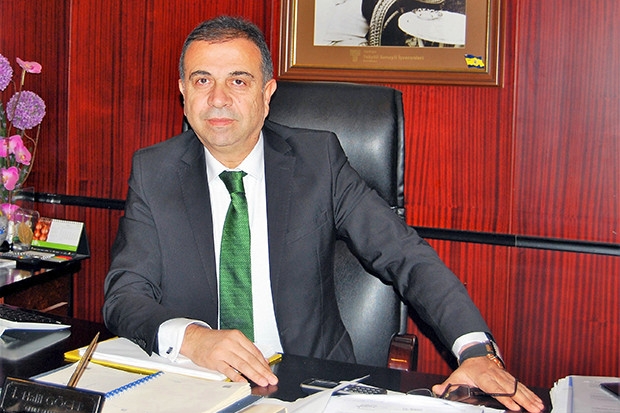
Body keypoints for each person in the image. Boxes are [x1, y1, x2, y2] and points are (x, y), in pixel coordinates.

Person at [102, 15, 544, 412]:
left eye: (238, 81)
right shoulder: (154, 171)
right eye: (202, 80)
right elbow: (125, 295)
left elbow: (406, 255)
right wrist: (193, 338)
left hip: (308, 389)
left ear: (267, 93)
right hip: (198, 387)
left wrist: (475, 351)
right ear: (183, 91)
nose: (218, 99)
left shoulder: (318, 161)